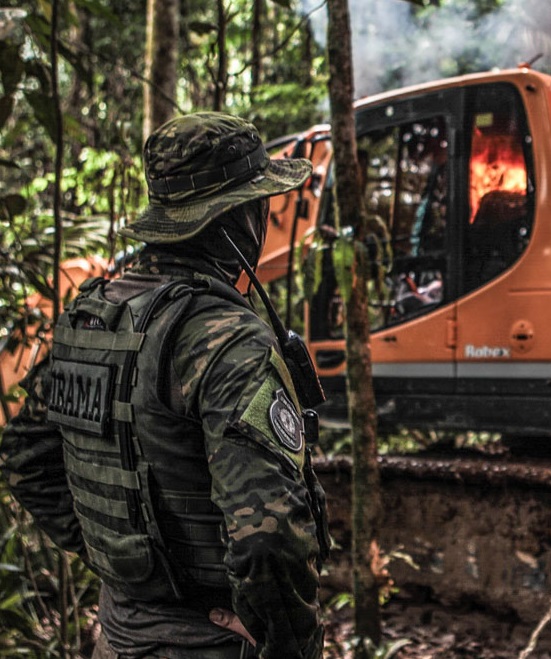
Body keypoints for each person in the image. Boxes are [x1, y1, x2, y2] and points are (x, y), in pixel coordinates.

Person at [0, 112, 325, 658]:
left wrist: (129, 567)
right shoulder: (225, 339)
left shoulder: (90, 318)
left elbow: (23, 451)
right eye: (260, 203)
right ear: (239, 218)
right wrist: (291, 646)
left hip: (120, 632)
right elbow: (268, 536)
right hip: (209, 643)